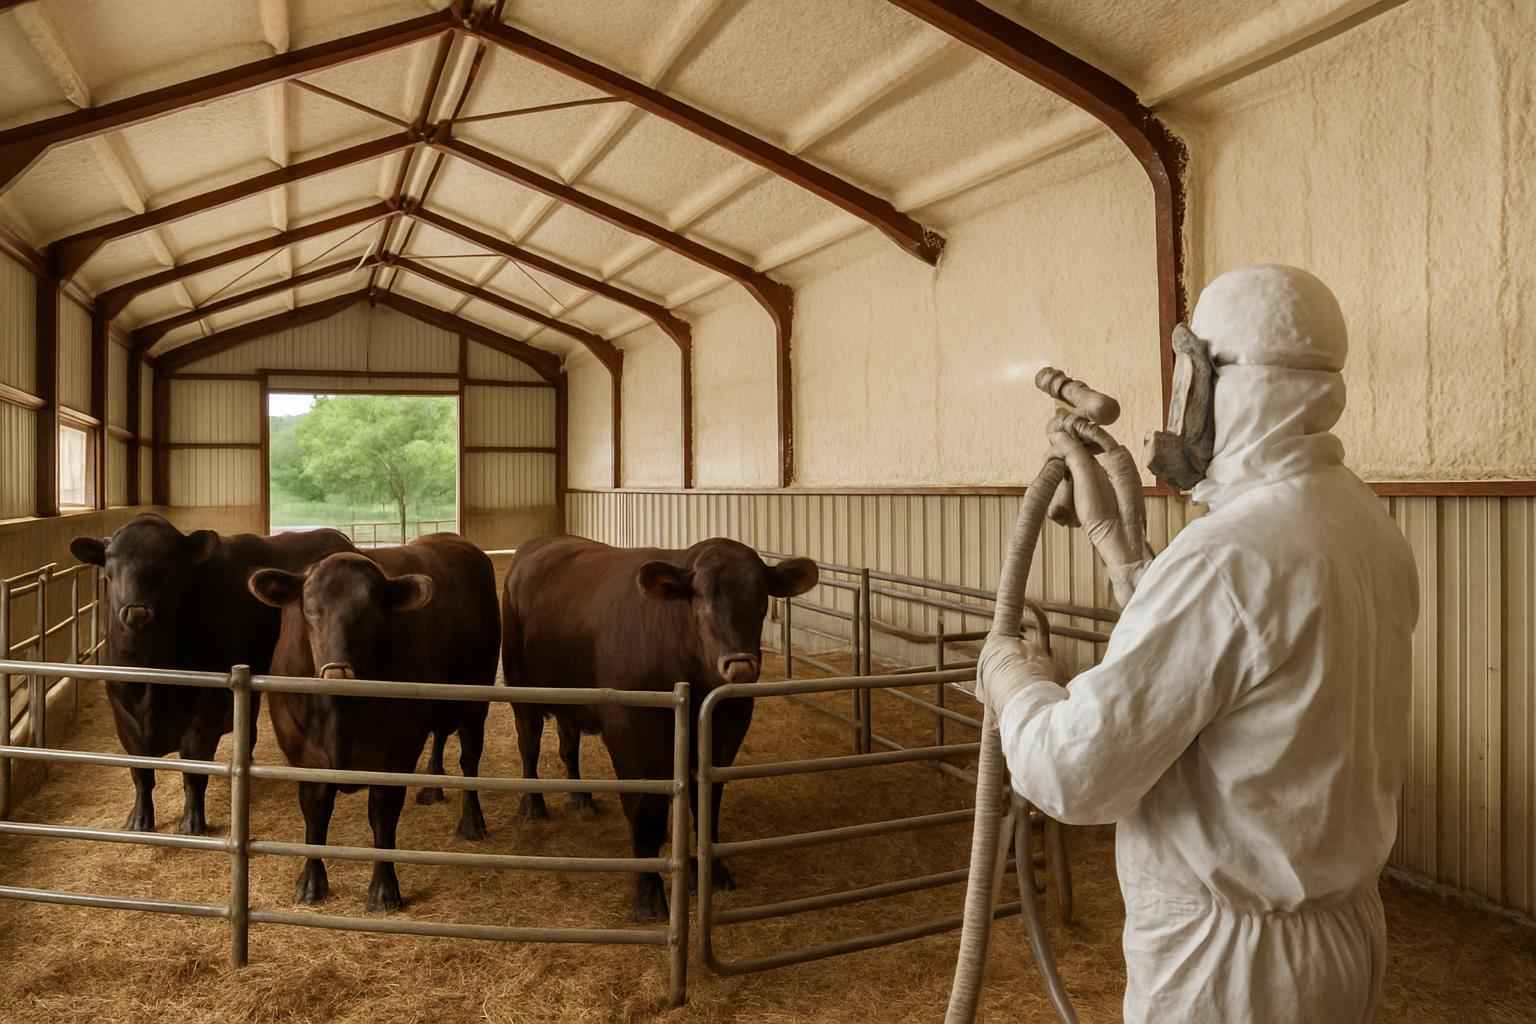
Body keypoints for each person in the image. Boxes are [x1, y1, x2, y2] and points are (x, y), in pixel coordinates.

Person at [976, 264, 1419, 1023]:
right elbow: (1247, 659)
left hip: (1231, 974)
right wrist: (1123, 556)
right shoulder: (1359, 521)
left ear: (1233, 383)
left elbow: (1075, 772)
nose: (1182, 407)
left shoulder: (1230, 554)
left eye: (1192, 374)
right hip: (1341, 942)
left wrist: (1014, 682)